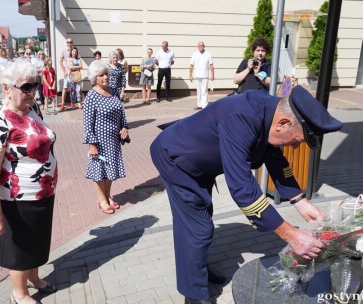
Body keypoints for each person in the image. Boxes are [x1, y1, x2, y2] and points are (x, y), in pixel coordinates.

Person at [150, 86, 343, 304]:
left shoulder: (270, 112)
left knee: (201, 222)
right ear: (283, 124)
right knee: (197, 229)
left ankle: (196, 269)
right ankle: (194, 294)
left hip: (202, 162)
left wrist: (301, 201)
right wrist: (291, 235)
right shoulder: (242, 118)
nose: (296, 147)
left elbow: (276, 160)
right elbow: (242, 187)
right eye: (297, 141)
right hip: (176, 160)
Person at [0, 59, 58, 304]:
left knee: (37, 240)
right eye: (25, 87)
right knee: (20, 247)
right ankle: (19, 292)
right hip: (16, 197)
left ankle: (34, 278)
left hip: (42, 192)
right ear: (6, 88)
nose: (32, 92)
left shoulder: (32, 109)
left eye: (34, 85)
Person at [83, 60, 129, 214]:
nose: (105, 77)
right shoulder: (91, 96)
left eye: (106, 74)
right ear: (94, 78)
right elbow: (87, 123)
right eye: (101, 75)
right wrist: (92, 144)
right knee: (99, 170)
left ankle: (108, 196)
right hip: (99, 140)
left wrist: (124, 127)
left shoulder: (114, 91)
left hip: (113, 139)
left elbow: (121, 112)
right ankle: (101, 199)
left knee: (110, 168)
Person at [189, 41, 214, 110]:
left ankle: (204, 106)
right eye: (199, 46)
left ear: (204, 46)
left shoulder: (208, 54)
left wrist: (212, 75)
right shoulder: (194, 54)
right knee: (198, 91)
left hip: (205, 75)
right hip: (197, 75)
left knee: (204, 91)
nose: (200, 47)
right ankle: (199, 105)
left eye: (202, 46)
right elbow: (191, 65)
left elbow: (211, 65)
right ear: (197, 47)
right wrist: (190, 75)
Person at [59, 37, 73, 111]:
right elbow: (60, 62)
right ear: (66, 43)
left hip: (73, 72)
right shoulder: (63, 51)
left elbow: (78, 60)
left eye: (70, 42)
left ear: (73, 43)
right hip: (67, 73)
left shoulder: (75, 51)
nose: (69, 44)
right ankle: (62, 103)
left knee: (72, 88)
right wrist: (64, 71)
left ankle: (72, 102)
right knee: (65, 88)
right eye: (68, 42)